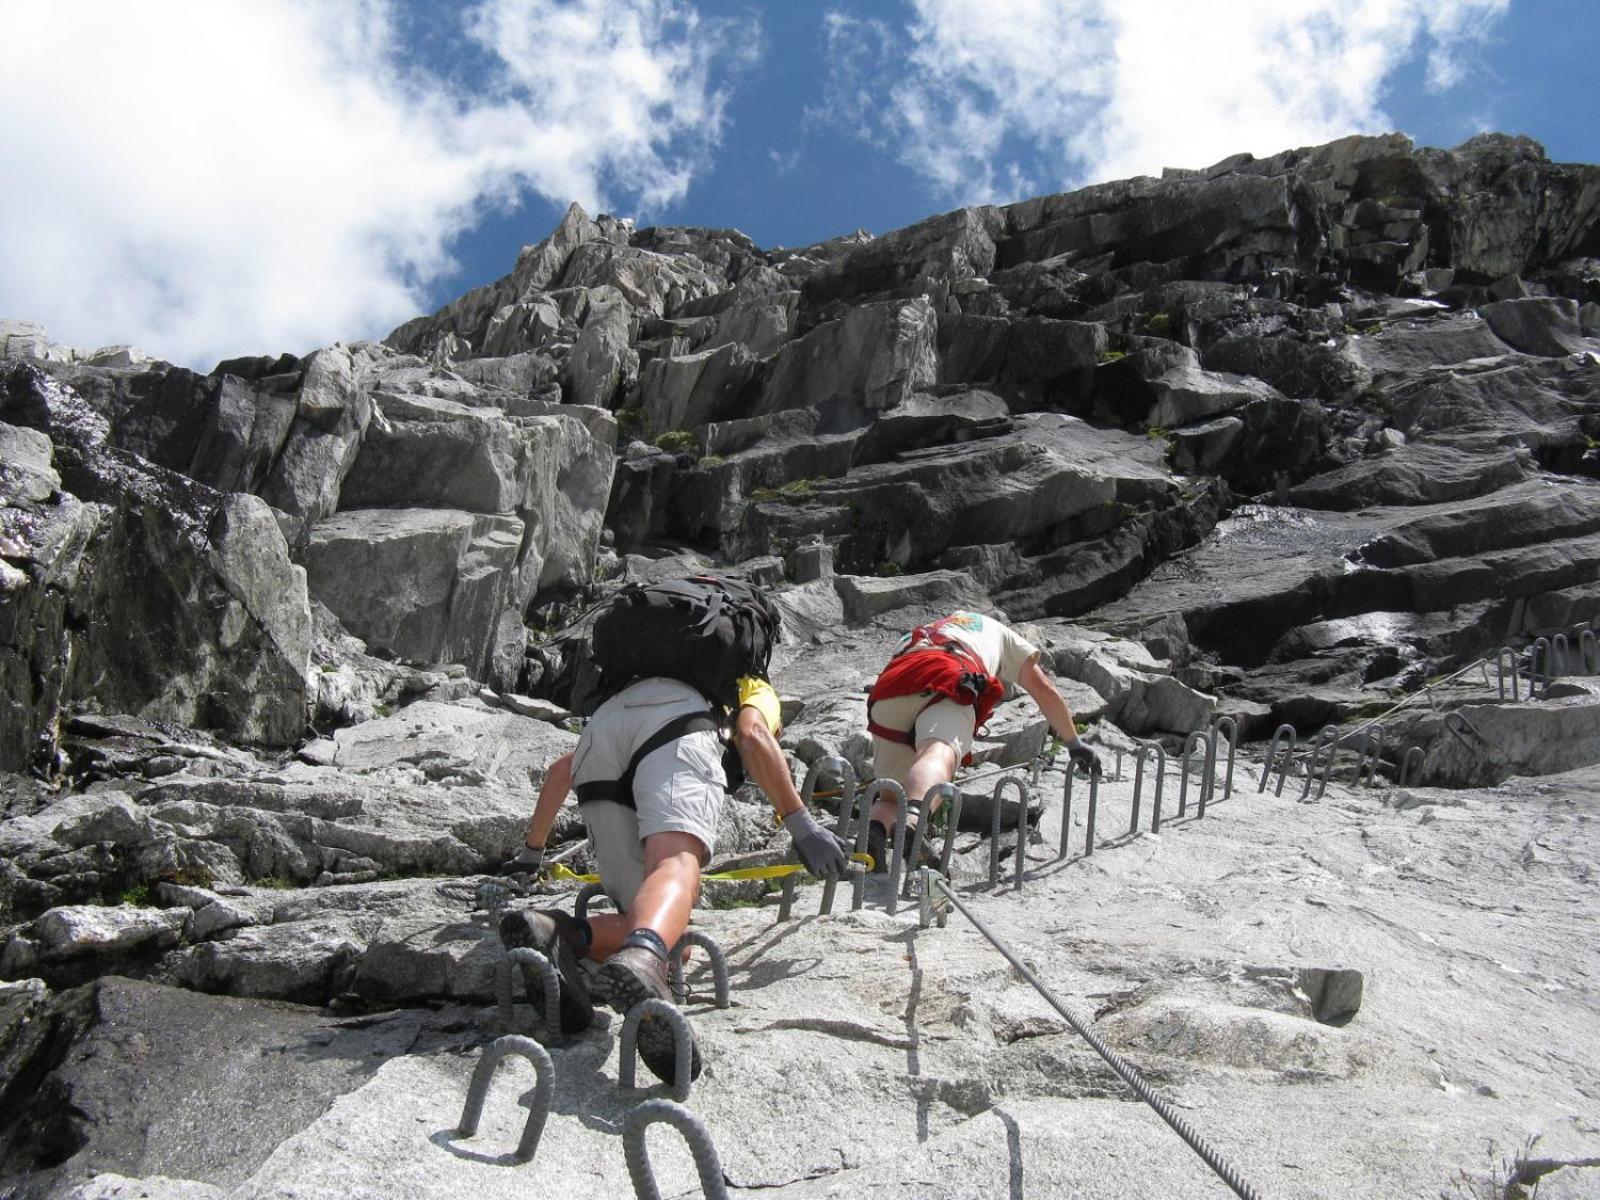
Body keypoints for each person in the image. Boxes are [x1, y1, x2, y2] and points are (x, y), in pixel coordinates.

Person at [500, 669, 847, 1081]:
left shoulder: (636, 672)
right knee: (673, 873)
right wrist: (801, 825)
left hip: (602, 733)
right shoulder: (750, 683)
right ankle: (644, 960)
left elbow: (562, 770)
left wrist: (531, 852)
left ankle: (563, 933)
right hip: (677, 730)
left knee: (658, 929)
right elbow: (753, 736)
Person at [864, 611, 1100, 870]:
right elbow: (1043, 687)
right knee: (937, 753)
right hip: (948, 677)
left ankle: (870, 841)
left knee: (890, 795)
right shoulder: (999, 631)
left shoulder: (929, 628)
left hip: (889, 690)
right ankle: (913, 822)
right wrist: (1074, 743)